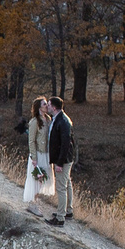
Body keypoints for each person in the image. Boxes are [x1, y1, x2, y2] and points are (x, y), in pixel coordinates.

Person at [44, 96, 76, 225]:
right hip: (65, 158)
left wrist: (60, 163)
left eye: (49, 105)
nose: (48, 107)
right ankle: (68, 210)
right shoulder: (59, 119)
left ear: (54, 107)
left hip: (63, 159)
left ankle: (60, 217)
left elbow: (65, 144)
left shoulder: (63, 121)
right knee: (67, 184)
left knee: (61, 187)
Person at [23, 98, 53, 212]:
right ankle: (32, 203)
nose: (47, 106)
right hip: (38, 154)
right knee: (36, 178)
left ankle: (35, 201)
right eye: (44, 104)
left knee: (42, 178)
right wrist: (34, 158)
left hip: (46, 153)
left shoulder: (48, 119)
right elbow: (31, 141)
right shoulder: (34, 122)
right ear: (39, 107)